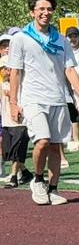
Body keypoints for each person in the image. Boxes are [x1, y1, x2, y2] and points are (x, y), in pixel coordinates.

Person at [6, 0, 79, 205]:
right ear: (32, 12)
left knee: (55, 145)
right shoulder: (21, 38)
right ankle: (37, 179)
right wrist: (14, 103)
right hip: (33, 99)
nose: (45, 13)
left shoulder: (61, 40)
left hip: (58, 98)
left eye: (49, 9)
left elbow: (69, 69)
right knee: (42, 141)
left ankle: (53, 189)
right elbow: (15, 72)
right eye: (41, 9)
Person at [1, 30, 33, 188]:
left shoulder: (19, 62)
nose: (6, 48)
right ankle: (25, 172)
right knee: (8, 149)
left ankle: (14, 177)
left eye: (9, 45)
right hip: (5, 112)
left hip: (20, 108)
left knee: (17, 145)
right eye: (3, 46)